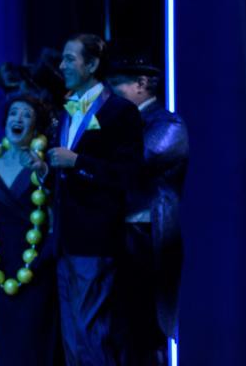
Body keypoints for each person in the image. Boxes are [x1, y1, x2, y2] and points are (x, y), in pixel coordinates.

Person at [46, 34, 143, 366]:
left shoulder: (121, 112)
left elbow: (129, 175)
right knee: (71, 333)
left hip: (96, 240)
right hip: (64, 239)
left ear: (92, 64)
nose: (62, 66)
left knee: (91, 330)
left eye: (69, 59)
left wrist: (78, 163)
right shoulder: (64, 110)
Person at [108, 53, 188, 366]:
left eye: (118, 85)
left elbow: (135, 163)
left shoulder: (168, 124)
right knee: (123, 327)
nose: (112, 92)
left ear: (142, 84)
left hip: (147, 234)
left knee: (146, 326)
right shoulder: (125, 123)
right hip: (123, 232)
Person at [0, 93, 61, 366]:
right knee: (8, 343)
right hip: (2, 267)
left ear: (36, 127)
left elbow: (55, 220)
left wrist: (45, 174)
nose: (19, 119)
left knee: (36, 340)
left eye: (27, 115)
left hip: (37, 265)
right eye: (14, 113)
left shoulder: (45, 166)